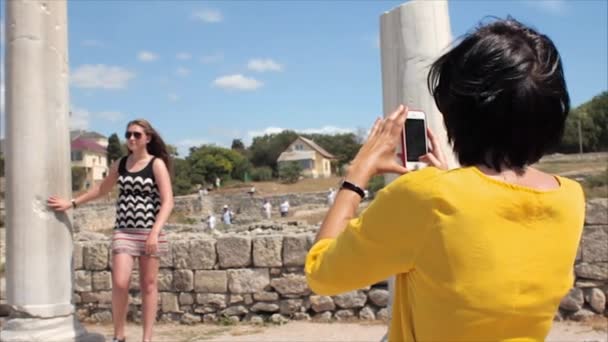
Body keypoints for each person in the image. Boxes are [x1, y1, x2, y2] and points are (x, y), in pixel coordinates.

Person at [305, 18, 584, 341]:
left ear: (456, 111)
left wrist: (357, 174)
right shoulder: (570, 198)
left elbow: (321, 272)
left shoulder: (426, 197)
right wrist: (449, 181)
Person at [48, 119, 174, 342]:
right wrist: (73, 203)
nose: (131, 139)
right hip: (124, 231)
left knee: (149, 284)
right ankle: (119, 335)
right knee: (119, 282)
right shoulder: (121, 163)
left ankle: (147, 338)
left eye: (136, 134)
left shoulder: (156, 164)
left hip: (149, 232)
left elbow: (168, 202)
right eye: (128, 135)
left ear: (148, 138)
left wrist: (155, 232)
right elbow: (101, 188)